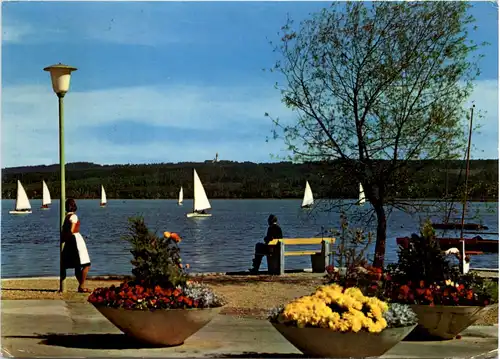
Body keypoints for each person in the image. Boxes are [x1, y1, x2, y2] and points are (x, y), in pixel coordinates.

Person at [61, 199, 92, 292]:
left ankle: (81, 286)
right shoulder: (74, 217)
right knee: (86, 264)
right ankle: (81, 286)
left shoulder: (66, 217)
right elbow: (72, 230)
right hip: (76, 240)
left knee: (77, 265)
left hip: (70, 241)